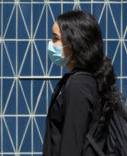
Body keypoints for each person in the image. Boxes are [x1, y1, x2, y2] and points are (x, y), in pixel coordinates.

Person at [42, 9, 119, 156]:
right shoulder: (86, 81)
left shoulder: (79, 86)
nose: (50, 44)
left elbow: (71, 146)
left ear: (73, 43)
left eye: (55, 39)